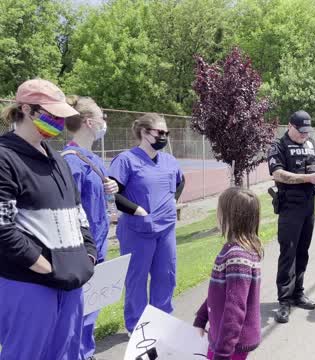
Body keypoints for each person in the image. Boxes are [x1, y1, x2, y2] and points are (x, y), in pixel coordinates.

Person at [0, 79, 96, 359]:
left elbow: (78, 213)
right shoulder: (5, 157)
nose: (58, 121)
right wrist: (43, 266)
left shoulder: (59, 160)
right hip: (28, 284)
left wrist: (87, 253)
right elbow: (3, 226)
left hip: (70, 282)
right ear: (27, 110)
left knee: (66, 353)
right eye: (52, 114)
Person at [108, 113, 185, 334]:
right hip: (137, 231)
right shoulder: (126, 160)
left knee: (166, 276)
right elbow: (114, 194)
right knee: (136, 280)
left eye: (166, 133)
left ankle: (161, 321)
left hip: (166, 229)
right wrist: (137, 210)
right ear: (143, 132)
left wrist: (173, 199)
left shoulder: (169, 160)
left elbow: (181, 181)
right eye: (160, 132)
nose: (164, 137)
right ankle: (137, 326)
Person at [61, 96, 119, 360]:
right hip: (82, 252)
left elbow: (98, 202)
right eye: (101, 117)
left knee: (91, 308)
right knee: (78, 311)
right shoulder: (71, 161)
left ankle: (87, 352)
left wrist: (110, 190)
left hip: (99, 245)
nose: (104, 122)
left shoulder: (93, 159)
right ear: (88, 122)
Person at [266, 110, 315, 324]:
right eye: (300, 131)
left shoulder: (311, 143)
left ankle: (298, 293)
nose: (304, 135)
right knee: (289, 253)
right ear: (290, 126)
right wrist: (308, 178)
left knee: (303, 251)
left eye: (307, 131)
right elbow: (277, 174)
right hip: (289, 206)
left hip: (308, 206)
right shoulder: (278, 146)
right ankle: (284, 301)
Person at [193, 187, 262, 360]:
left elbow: (235, 308)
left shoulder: (237, 257)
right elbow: (219, 294)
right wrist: (201, 317)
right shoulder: (232, 250)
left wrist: (222, 354)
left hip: (231, 345)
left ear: (230, 217)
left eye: (219, 210)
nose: (217, 214)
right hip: (223, 339)